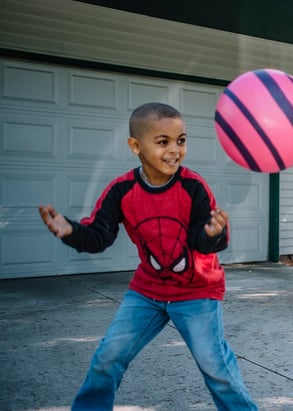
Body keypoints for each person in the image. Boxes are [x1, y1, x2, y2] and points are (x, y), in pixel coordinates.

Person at [38, 102, 258, 411]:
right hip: (148, 291)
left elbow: (202, 240)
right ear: (135, 146)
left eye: (181, 140)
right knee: (108, 356)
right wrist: (70, 231)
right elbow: (100, 236)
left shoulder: (193, 187)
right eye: (163, 141)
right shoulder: (121, 190)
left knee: (215, 366)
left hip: (196, 291)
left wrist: (213, 234)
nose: (175, 150)